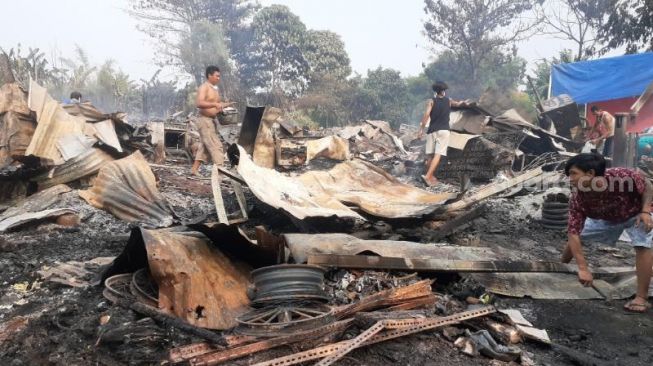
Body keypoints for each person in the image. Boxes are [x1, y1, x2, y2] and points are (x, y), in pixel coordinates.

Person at [563, 153, 652, 313]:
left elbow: (647, 186)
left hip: (635, 214)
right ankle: (561, 266)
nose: (570, 178)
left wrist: (645, 211)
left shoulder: (622, 177)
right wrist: (583, 268)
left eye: (573, 173)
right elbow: (573, 232)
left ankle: (641, 298)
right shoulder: (578, 198)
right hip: (606, 219)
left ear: (590, 173)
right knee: (577, 238)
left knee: (643, 242)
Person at [417, 81, 466, 186]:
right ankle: (428, 176)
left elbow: (426, 115)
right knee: (438, 155)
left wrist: (421, 130)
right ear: (443, 91)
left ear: (435, 91)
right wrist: (465, 102)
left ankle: (429, 175)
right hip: (443, 131)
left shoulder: (431, 101)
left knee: (430, 156)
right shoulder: (448, 101)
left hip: (432, 131)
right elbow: (458, 104)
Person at [191, 66, 235, 176]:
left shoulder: (214, 89)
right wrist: (215, 104)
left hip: (211, 121)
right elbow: (199, 103)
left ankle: (194, 170)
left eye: (219, 76)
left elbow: (216, 106)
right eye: (217, 76)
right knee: (216, 146)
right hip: (204, 121)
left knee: (205, 147)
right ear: (209, 75)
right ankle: (220, 173)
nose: (219, 78)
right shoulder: (204, 87)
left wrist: (226, 105)